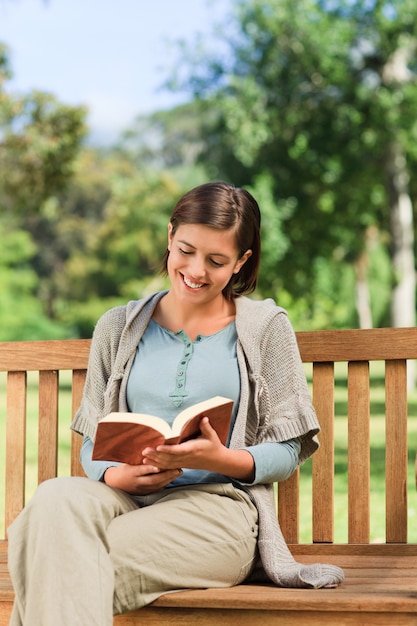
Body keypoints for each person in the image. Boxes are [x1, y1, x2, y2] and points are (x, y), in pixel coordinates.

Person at [7, 181, 344, 625]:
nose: (196, 270)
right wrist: (116, 472)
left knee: (49, 550)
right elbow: (93, 442)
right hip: (124, 499)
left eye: (217, 260)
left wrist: (224, 458)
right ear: (169, 237)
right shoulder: (117, 327)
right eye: (186, 250)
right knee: (54, 500)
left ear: (242, 261)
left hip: (217, 510)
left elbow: (287, 452)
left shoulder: (265, 328)